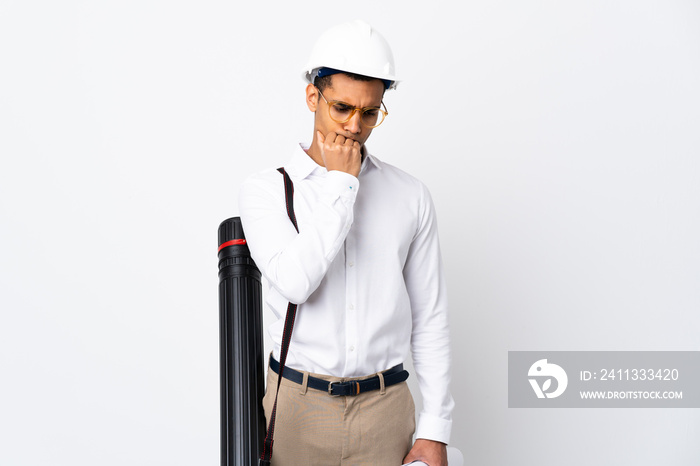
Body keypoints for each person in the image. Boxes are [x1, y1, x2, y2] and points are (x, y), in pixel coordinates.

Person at [239, 19, 454, 465]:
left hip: (386, 408)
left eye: (370, 112)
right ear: (312, 96)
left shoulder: (409, 195)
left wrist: (436, 429)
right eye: (342, 108)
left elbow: (429, 319)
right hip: (297, 407)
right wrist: (341, 184)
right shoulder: (265, 191)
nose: (355, 126)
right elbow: (297, 282)